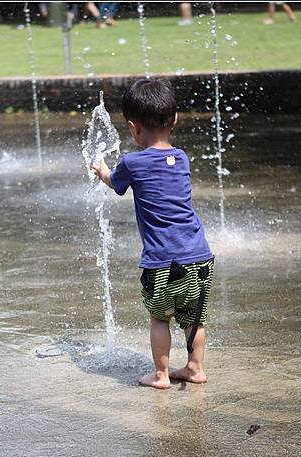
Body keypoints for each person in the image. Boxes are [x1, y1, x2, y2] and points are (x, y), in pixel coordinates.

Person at [93, 79, 214, 389]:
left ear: (133, 128)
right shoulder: (183, 158)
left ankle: (160, 375)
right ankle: (195, 368)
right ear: (174, 120)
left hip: (161, 262)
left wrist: (102, 169)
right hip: (200, 257)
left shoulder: (132, 162)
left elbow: (115, 184)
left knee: (161, 318)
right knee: (193, 318)